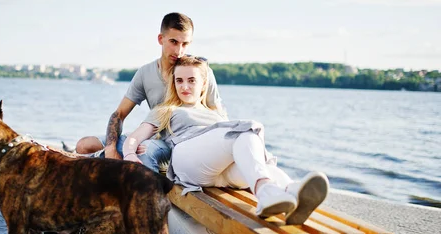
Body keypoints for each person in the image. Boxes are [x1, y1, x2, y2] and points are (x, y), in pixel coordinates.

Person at [122, 55, 329, 224]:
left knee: (251, 148)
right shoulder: (167, 109)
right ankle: (268, 191)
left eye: (191, 80)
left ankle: (291, 192)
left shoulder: (215, 113)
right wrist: (130, 154)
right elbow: (135, 137)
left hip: (219, 173)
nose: (184, 86)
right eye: (180, 80)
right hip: (189, 159)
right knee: (246, 129)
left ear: (203, 84)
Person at [74, 12, 226, 173]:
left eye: (185, 44)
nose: (179, 51)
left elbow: (218, 113)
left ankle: (153, 192)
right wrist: (111, 148)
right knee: (84, 146)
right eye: (173, 42)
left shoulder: (199, 72)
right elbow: (119, 114)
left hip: (181, 144)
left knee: (144, 149)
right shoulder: (145, 73)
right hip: (151, 137)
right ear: (161, 39)